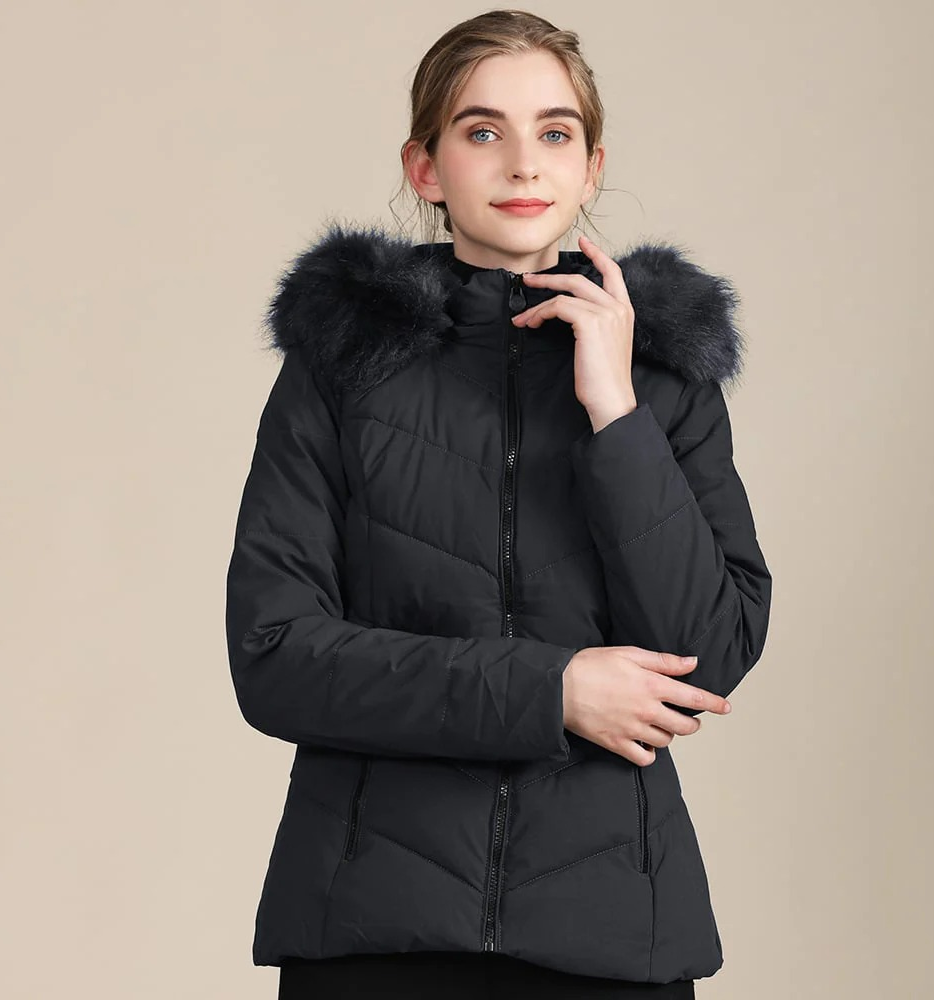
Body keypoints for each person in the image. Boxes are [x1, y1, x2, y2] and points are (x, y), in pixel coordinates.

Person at [225, 8, 772, 998]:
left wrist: (616, 411)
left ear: (591, 168)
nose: (523, 163)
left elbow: (708, 651)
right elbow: (275, 657)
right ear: (426, 168)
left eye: (554, 133)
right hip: (372, 934)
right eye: (483, 131)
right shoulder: (342, 365)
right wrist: (551, 691)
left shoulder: (662, 377)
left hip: (610, 937)